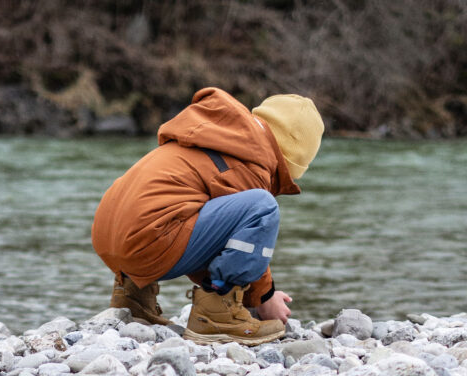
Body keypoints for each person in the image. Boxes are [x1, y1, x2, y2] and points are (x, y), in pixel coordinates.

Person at [91, 87, 324, 345]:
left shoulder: (216, 137)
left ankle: (132, 299)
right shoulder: (249, 159)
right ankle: (217, 314)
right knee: (262, 206)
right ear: (292, 155)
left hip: (107, 236)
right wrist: (264, 297)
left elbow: (210, 235)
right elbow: (238, 234)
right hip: (149, 242)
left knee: (171, 206)